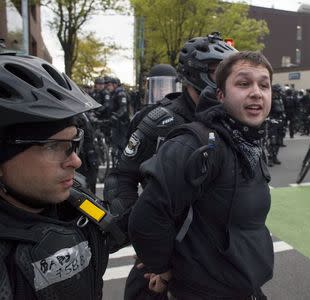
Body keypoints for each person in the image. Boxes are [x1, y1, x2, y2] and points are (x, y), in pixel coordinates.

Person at [129, 51, 274, 300]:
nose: (256, 92)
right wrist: (162, 269)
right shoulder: (197, 144)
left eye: (264, 85)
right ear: (220, 94)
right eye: (243, 83)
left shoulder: (250, 140)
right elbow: (146, 217)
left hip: (244, 287)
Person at [104, 32, 237, 300]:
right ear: (197, 74)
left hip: (214, 252)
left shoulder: (233, 118)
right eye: (217, 73)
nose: (226, 82)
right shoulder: (160, 121)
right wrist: (148, 244)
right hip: (161, 251)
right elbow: (121, 177)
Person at [0, 53, 128, 299]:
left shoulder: (75, 201)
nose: (75, 161)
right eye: (53, 146)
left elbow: (112, 229)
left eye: (73, 142)